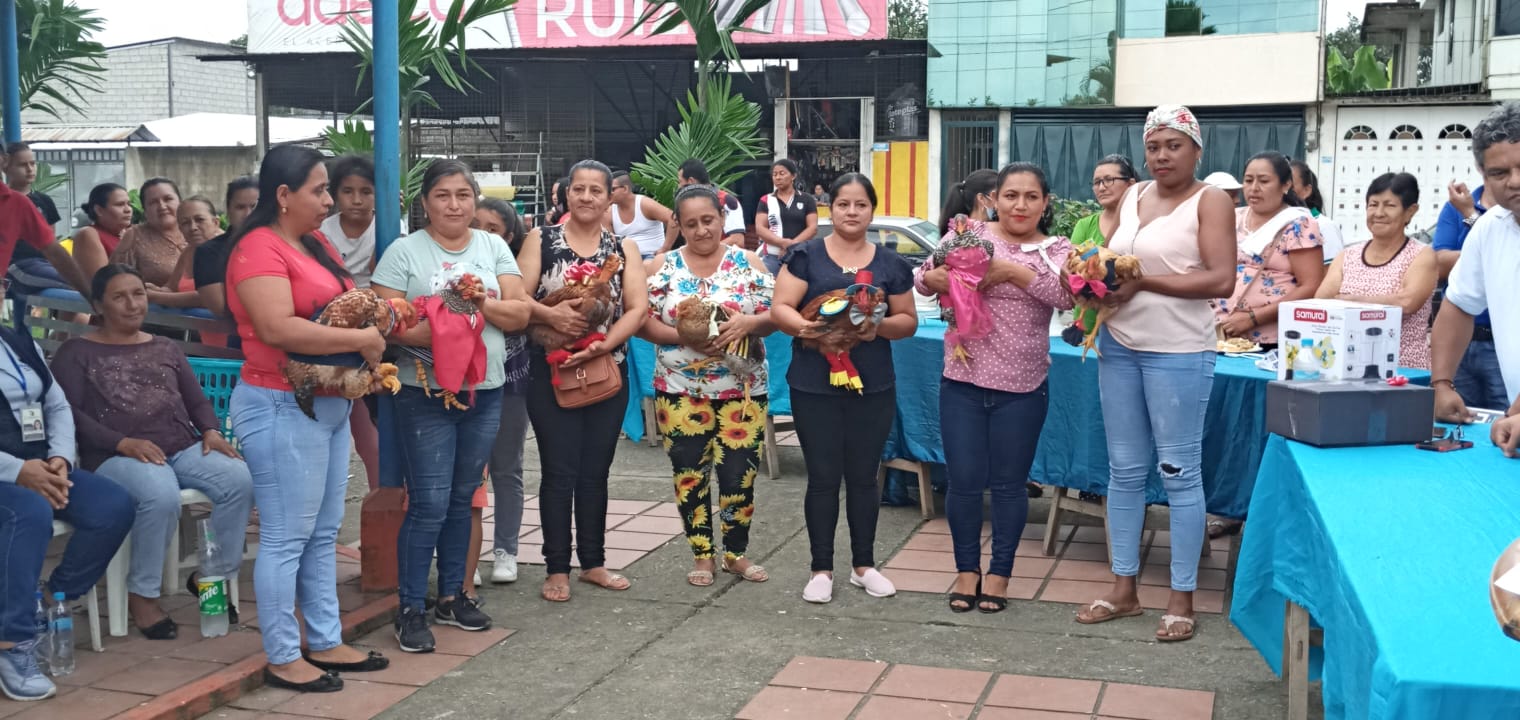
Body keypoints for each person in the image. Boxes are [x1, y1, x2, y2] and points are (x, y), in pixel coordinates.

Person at [224, 144, 391, 693]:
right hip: (279, 403)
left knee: (322, 532)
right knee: (285, 536)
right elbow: (276, 328)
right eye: (319, 190)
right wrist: (361, 340)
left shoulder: (313, 242)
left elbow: (340, 305)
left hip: (329, 401)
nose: (328, 201)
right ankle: (282, 653)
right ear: (283, 195)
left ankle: (324, 639)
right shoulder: (257, 249)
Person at [1074, 105, 1236, 643]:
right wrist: (1091, 276)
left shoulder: (1210, 200)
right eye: (1153, 146)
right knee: (1123, 471)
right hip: (1119, 344)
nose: (1162, 155)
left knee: (1178, 472)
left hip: (1179, 351)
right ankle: (1123, 588)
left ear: (1196, 150)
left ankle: (1181, 596)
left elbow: (1221, 279)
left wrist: (1145, 283)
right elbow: (1113, 257)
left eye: (1174, 145)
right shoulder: (1133, 195)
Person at [373, 160, 532, 651]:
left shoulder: (493, 247)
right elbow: (385, 322)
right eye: (443, 195)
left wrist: (476, 305)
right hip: (422, 392)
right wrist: (454, 328)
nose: (454, 205)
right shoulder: (404, 252)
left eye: (463, 195)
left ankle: (452, 596)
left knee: (463, 497)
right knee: (429, 502)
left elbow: (519, 313)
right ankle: (409, 607)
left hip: (484, 389)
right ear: (425, 203)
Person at [51, 265, 252, 640]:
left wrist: (210, 430)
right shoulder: (76, 352)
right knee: (160, 495)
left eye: (138, 294)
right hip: (113, 456)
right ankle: (142, 595)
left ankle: (210, 577)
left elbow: (196, 399)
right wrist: (121, 442)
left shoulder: (165, 346)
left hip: (179, 446)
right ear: (98, 305)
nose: (132, 304)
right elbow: (68, 414)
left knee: (238, 479)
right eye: (119, 297)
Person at [916, 163, 1074, 613]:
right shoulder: (968, 234)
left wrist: (1009, 271)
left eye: (1031, 197)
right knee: (964, 482)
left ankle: (1001, 573)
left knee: (1009, 486)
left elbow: (1066, 296)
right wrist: (937, 278)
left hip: (1023, 387)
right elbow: (922, 278)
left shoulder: (1056, 249)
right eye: (1010, 195)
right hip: (962, 382)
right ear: (993, 200)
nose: (1020, 205)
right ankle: (967, 571)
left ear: (1045, 203)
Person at [770, 173, 916, 604]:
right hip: (814, 384)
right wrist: (809, 329)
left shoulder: (891, 264)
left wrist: (874, 328)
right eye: (843, 204)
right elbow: (781, 308)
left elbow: (907, 321)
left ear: (872, 210)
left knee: (864, 477)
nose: (852, 212)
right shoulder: (806, 256)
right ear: (829, 209)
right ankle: (821, 568)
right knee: (822, 477)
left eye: (861, 205)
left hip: (873, 384)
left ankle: (864, 565)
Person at [518, 160, 648, 603]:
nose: (587, 197)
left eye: (596, 190)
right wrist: (551, 316)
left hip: (606, 369)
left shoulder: (623, 248)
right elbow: (517, 297)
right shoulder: (541, 239)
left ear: (610, 196)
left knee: (596, 471)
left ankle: (593, 562)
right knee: (558, 470)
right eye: (579, 189)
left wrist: (604, 344)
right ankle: (556, 567)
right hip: (551, 371)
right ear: (565, 194)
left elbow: (637, 308)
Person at [640, 184, 775, 587]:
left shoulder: (748, 262)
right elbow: (642, 322)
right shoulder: (662, 266)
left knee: (739, 476)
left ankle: (735, 554)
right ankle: (702, 555)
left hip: (743, 391)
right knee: (689, 475)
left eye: (708, 220)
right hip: (679, 389)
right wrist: (685, 337)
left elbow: (775, 314)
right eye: (691, 223)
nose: (701, 230)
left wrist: (748, 323)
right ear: (679, 225)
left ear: (721, 218)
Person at [0, 324, 134, 702]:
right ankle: (12, 642)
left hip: (40, 465)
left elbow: (56, 404)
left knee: (113, 506)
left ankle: (47, 602)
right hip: (9, 474)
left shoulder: (15, 340)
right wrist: (18, 471)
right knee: (28, 513)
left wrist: (59, 457)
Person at [1432, 102, 1520, 434]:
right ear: (1482, 174)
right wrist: (1442, 383)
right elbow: (1458, 305)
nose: (1515, 181)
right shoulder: (1490, 228)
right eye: (1499, 173)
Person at [1316, 172, 1437, 370]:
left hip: (1402, 369)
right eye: (1373, 205)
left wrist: (1350, 300)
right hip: (1346, 367)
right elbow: (1321, 302)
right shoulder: (1348, 255)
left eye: (1389, 205)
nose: (1379, 213)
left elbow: (1407, 303)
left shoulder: (1421, 255)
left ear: (1410, 211)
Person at [1211, 152, 1325, 351]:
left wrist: (1253, 318)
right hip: (1221, 332)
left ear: (1286, 185)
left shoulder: (1299, 225)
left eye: (1264, 181)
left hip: (1272, 338)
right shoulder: (1231, 217)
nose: (1254, 188)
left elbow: (1310, 286)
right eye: (1248, 180)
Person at [474, 197, 531, 586]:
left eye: (492, 228)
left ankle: (506, 551)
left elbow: (521, 316)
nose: (482, 233)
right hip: (464, 380)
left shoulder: (515, 271)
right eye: (476, 225)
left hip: (511, 380)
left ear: (509, 237)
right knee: (467, 471)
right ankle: (465, 553)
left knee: (507, 467)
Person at [317, 156, 382, 493]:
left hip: (375, 323)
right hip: (332, 323)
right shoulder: (322, 231)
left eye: (366, 192)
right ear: (334, 194)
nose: (357, 200)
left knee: (374, 423)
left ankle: (381, 490)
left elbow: (383, 274)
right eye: (348, 191)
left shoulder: (386, 226)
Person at [1432, 165, 1510, 413]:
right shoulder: (1455, 207)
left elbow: (1502, 253)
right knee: (1464, 422)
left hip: (1501, 345)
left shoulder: (1470, 209)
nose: (1513, 180)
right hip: (1463, 343)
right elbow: (1440, 263)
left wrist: (1469, 215)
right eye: (1500, 170)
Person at [0, 146, 89, 298]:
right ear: (7, 166)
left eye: (32, 163)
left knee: (75, 283)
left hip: (42, 263)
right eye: (22, 165)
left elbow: (51, 245)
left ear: (4, 160)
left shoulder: (32, 201)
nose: (29, 169)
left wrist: (89, 293)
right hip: (17, 266)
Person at [193, 177, 259, 318]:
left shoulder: (286, 243)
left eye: (254, 207)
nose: (248, 214)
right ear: (228, 211)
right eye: (240, 207)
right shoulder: (209, 252)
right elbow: (221, 306)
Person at [755, 159, 818, 274]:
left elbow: (812, 228)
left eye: (782, 173)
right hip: (772, 257)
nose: (778, 178)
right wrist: (782, 242)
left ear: (793, 176)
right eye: (774, 174)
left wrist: (791, 246)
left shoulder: (807, 199)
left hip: (800, 256)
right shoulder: (766, 200)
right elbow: (760, 228)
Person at [1070, 155, 1139, 251]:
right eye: (1097, 182)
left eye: (1109, 180)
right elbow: (1075, 259)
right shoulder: (1085, 225)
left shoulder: (1144, 222)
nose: (1101, 188)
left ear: (1130, 184)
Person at [71, 183, 134, 286]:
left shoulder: (131, 233)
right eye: (120, 204)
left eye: (129, 204)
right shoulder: (89, 234)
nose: (128, 209)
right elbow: (103, 285)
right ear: (99, 210)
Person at [606, 172, 677, 262]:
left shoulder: (644, 204)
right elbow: (609, 242)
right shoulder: (608, 212)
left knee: (647, 265)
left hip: (651, 256)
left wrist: (665, 248)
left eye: (612, 189)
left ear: (625, 189)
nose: (608, 193)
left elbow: (673, 219)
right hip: (626, 259)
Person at [676, 158, 747, 246]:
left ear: (691, 181)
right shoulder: (685, 205)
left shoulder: (726, 201)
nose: (678, 186)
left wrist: (706, 251)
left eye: (680, 182)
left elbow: (737, 240)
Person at [1289, 160, 1347, 261]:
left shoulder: (1324, 227)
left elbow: (1331, 269)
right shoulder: (1274, 224)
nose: (1283, 191)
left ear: (1306, 190)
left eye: (1290, 185)